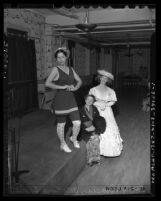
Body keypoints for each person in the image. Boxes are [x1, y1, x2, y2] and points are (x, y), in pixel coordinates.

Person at [45, 47, 82, 153]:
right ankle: (62, 143)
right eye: (58, 58)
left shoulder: (71, 69)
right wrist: (62, 87)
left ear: (66, 57)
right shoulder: (55, 69)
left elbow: (79, 80)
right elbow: (48, 83)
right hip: (60, 100)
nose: (60, 59)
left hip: (71, 99)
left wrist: (76, 87)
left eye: (62, 57)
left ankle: (73, 138)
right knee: (61, 124)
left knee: (77, 123)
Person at [89, 69, 123, 157]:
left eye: (106, 78)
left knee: (109, 127)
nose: (104, 79)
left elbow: (113, 101)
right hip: (96, 111)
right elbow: (90, 101)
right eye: (102, 78)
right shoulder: (93, 90)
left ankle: (110, 151)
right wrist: (98, 103)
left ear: (108, 80)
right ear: (99, 78)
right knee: (97, 128)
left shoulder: (111, 91)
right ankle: (96, 149)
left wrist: (106, 104)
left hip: (107, 111)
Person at [78, 94, 106, 166]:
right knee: (90, 140)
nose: (89, 101)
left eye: (91, 100)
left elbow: (98, 118)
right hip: (84, 130)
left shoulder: (94, 108)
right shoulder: (80, 110)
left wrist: (94, 126)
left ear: (93, 102)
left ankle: (96, 159)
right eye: (88, 99)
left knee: (96, 139)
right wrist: (85, 128)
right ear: (85, 100)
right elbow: (78, 122)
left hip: (94, 128)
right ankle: (90, 160)